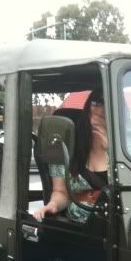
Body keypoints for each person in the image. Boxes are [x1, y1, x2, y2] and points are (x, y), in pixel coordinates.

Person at [33, 90, 108, 223]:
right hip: (77, 226)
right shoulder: (66, 145)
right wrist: (53, 205)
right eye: (96, 101)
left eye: (106, 102)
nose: (100, 108)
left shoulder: (127, 149)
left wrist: (109, 150)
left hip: (114, 226)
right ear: (87, 109)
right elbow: (61, 192)